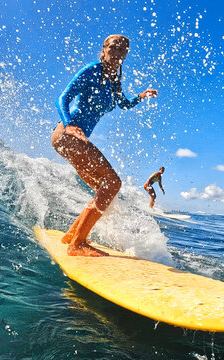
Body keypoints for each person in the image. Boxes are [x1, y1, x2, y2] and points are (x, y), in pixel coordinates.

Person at [52, 34, 158, 257]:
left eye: (123, 50)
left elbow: (124, 104)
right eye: (113, 48)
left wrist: (142, 95)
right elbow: (63, 97)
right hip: (67, 134)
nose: (118, 53)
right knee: (112, 183)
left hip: (75, 140)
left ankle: (72, 236)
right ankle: (77, 245)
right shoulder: (92, 70)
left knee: (104, 189)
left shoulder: (115, 82)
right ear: (103, 50)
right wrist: (70, 124)